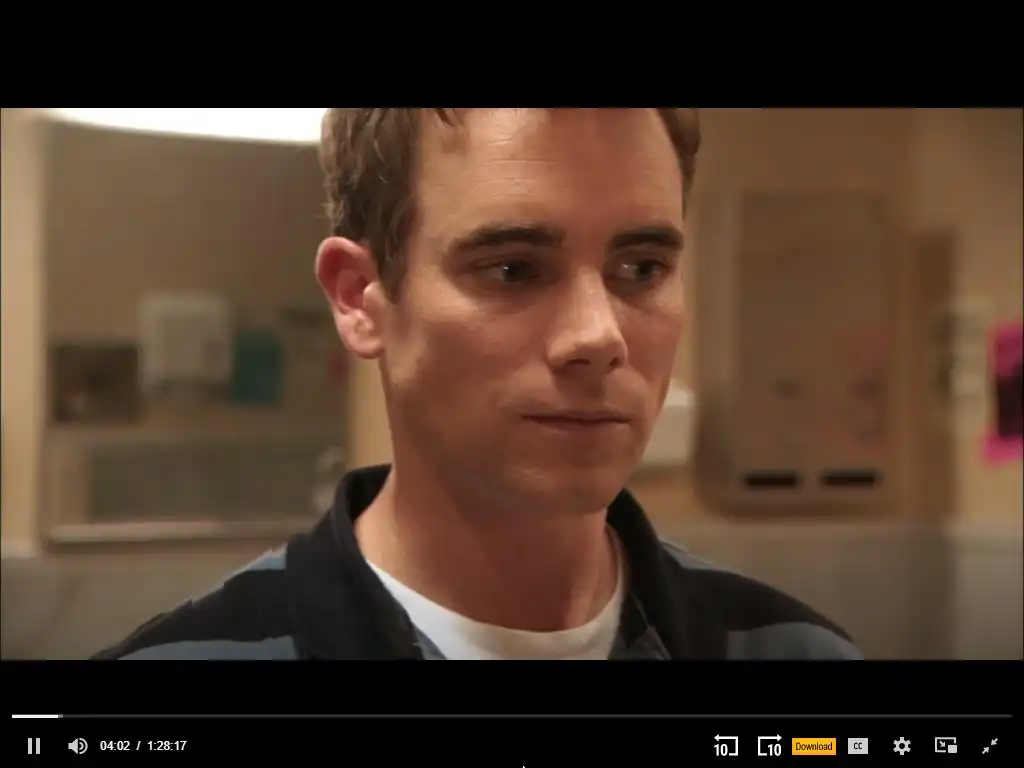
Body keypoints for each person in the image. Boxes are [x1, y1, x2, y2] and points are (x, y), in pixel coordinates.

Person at [96, 109, 860, 660]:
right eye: (513, 270)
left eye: (641, 268)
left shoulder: (795, 654)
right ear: (359, 298)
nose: (599, 336)